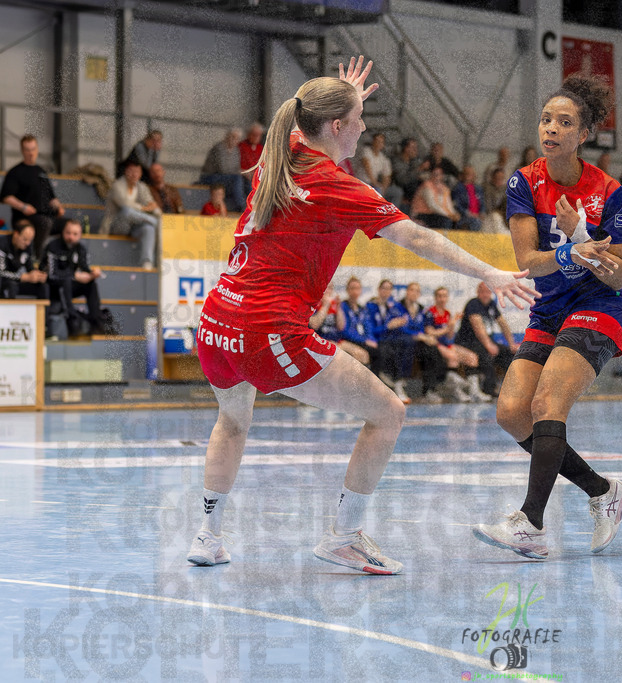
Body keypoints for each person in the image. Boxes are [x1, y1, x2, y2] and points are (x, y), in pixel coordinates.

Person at [187, 57, 536, 575]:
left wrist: (342, 92)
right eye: (357, 118)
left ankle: (207, 536)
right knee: (388, 412)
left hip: (217, 323)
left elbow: (306, 113)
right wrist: (491, 273)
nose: (364, 126)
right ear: (335, 127)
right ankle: (344, 538)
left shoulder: (283, 151)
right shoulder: (338, 186)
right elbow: (418, 238)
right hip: (268, 330)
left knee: (232, 422)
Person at [472, 74, 622, 562]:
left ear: (582, 134)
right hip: (549, 309)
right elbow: (528, 260)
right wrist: (574, 251)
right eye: (546, 120)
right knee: (511, 413)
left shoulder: (609, 191)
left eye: (564, 123)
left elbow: (620, 274)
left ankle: (531, 524)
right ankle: (604, 491)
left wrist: (581, 234)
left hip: (598, 307)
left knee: (547, 402)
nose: (551, 128)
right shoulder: (524, 181)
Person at [1, 134, 68, 262]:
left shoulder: (41, 172)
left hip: (45, 215)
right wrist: (23, 207)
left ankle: (63, 261)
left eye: (33, 149)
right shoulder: (15, 172)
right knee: (44, 223)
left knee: (68, 225)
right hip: (24, 217)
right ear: (22, 151)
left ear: (37, 149)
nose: (31, 153)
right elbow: (6, 197)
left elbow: (52, 197)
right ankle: (38, 258)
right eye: (27, 149)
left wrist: (59, 207)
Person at [378, 282, 448, 404]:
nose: (414, 293)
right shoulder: (397, 307)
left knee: (431, 348)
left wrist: (426, 337)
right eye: (412, 290)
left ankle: (429, 389)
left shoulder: (420, 309)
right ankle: (399, 383)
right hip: (399, 340)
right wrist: (417, 335)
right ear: (407, 292)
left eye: (417, 291)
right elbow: (399, 327)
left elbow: (421, 327)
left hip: (416, 341)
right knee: (407, 342)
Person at [454, 281, 518, 400]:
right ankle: (489, 389)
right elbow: (478, 327)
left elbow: (503, 324)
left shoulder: (491, 304)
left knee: (508, 353)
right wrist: (489, 345)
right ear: (478, 292)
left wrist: (511, 343)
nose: (485, 295)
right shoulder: (473, 304)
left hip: (484, 342)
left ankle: (513, 387)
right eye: (482, 292)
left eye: (488, 292)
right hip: (468, 342)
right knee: (485, 355)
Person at [45, 219, 104, 335]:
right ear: (63, 232)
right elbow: (52, 273)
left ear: (80, 235)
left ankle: (96, 321)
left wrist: (92, 273)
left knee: (91, 284)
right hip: (53, 286)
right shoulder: (53, 246)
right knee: (66, 281)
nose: (71, 237)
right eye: (68, 233)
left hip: (70, 284)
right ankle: (72, 321)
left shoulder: (80, 248)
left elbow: (84, 266)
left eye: (75, 234)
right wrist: (74, 276)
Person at [101, 159, 160, 269]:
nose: (134, 174)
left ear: (141, 173)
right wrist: (144, 208)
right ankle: (156, 222)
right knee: (127, 211)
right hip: (117, 225)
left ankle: (147, 262)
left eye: (137, 172)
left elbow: (152, 204)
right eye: (131, 171)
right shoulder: (117, 185)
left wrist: (156, 211)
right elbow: (124, 203)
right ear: (125, 172)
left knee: (148, 228)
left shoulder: (142, 187)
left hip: (134, 226)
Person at [425, 286, 480, 402]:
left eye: (444, 296)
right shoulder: (430, 313)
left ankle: (474, 391)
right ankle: (456, 391)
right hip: (436, 344)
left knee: (472, 357)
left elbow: (450, 336)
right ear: (435, 298)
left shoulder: (447, 313)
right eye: (439, 296)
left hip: (447, 343)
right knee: (452, 357)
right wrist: (447, 328)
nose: (442, 299)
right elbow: (430, 332)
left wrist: (452, 325)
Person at [199, 128, 247, 212]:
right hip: (210, 176)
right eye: (233, 137)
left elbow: (236, 167)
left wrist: (243, 172)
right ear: (227, 136)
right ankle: (241, 205)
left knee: (247, 182)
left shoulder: (236, 150)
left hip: (226, 177)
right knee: (237, 178)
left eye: (237, 138)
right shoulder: (219, 148)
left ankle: (249, 206)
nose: (234, 140)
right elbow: (223, 168)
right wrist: (240, 172)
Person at [336, 276, 378, 370]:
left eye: (358, 288)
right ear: (347, 290)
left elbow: (368, 327)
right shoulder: (343, 306)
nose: (355, 291)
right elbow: (344, 330)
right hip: (350, 339)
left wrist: (371, 340)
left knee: (378, 350)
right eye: (352, 288)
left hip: (362, 340)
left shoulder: (362, 308)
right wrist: (364, 340)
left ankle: (374, 378)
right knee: (370, 353)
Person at [0, 220, 48, 301]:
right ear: (16, 234)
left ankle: (42, 309)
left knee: (43, 286)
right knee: (11, 286)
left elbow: (30, 267)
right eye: (25, 239)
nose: (27, 243)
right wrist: (22, 277)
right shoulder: (2, 244)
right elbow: (1, 273)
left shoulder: (27, 246)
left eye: (30, 240)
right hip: (4, 282)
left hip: (16, 281)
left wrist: (38, 275)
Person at [356, 131, 402, 205]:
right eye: (377, 141)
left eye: (381, 142)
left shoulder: (383, 158)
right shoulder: (366, 151)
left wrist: (383, 189)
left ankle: (390, 211)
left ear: (383, 145)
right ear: (373, 142)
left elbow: (387, 176)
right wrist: (375, 183)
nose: (378, 144)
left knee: (397, 192)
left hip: (374, 185)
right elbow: (367, 167)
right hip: (362, 182)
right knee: (377, 192)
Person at [390, 137, 421, 205]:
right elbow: (402, 180)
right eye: (413, 148)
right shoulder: (396, 161)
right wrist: (419, 169)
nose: (416, 150)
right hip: (399, 187)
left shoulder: (413, 161)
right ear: (406, 149)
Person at [451, 165, 483, 231]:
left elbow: (482, 203)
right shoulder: (457, 188)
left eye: (472, 174)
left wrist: (482, 213)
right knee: (475, 222)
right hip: (463, 216)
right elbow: (456, 205)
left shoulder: (478, 188)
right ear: (462, 175)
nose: (470, 176)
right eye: (467, 174)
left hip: (478, 216)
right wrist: (469, 214)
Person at [480, 167, 509, 234]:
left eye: (501, 178)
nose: (499, 180)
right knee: (495, 217)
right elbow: (486, 205)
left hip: (503, 216)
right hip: (489, 215)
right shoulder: (486, 188)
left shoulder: (507, 190)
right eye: (497, 177)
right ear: (492, 178)